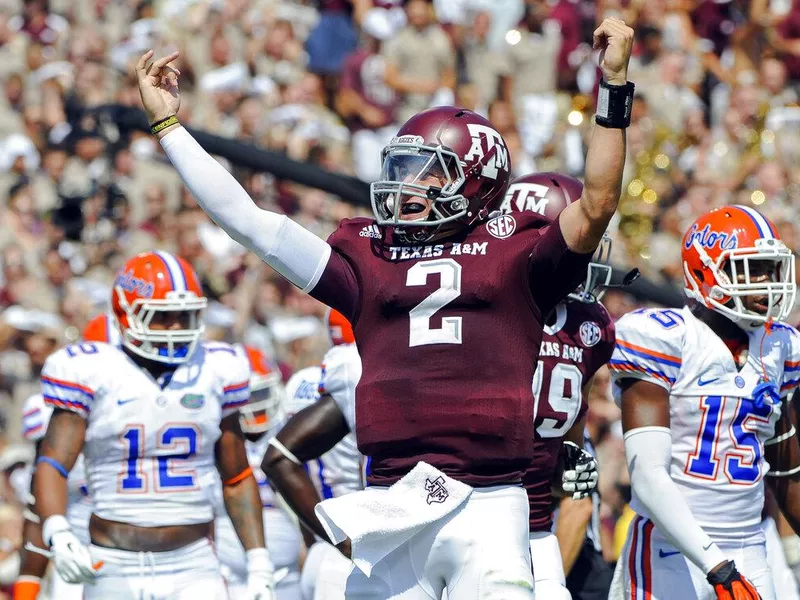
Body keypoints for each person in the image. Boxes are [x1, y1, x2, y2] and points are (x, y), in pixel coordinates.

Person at [136, 16, 633, 597]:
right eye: (403, 169)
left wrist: (614, 85)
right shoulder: (369, 254)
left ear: (476, 184)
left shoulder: (518, 254)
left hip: (491, 505)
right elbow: (253, 225)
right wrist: (168, 125)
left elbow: (598, 200)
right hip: (392, 502)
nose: (407, 187)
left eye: (429, 173)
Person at [33, 251, 278, 600]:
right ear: (125, 313)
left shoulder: (215, 370)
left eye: (185, 315)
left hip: (193, 564)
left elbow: (237, 477)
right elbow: (53, 463)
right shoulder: (93, 371)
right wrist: (58, 531)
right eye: (163, 317)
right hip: (112, 563)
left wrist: (258, 562)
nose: (177, 327)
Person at [609, 205, 800, 600]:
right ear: (705, 273)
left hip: (749, 547)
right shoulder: (665, 339)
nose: (765, 283)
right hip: (669, 550)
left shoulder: (780, 346)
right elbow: (648, 477)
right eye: (751, 270)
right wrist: (716, 564)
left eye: (770, 269)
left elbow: (785, 469)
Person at [501, 172, 615, 600]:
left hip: (542, 526)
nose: (587, 258)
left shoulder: (590, 326)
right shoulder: (485, 311)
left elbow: (573, 471)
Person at [13, 314, 116, 600]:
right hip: (78, 554)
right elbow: (37, 505)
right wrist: (27, 587)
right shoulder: (53, 413)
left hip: (160, 556)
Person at [264, 308, 364, 600]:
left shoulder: (300, 382)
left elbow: (291, 472)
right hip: (356, 545)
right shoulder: (361, 378)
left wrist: (314, 539)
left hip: (321, 544)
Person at [209, 344, 304, 600]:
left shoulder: (290, 433)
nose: (250, 406)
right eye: (243, 399)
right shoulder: (213, 438)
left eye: (256, 395)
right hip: (228, 571)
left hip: (290, 572)